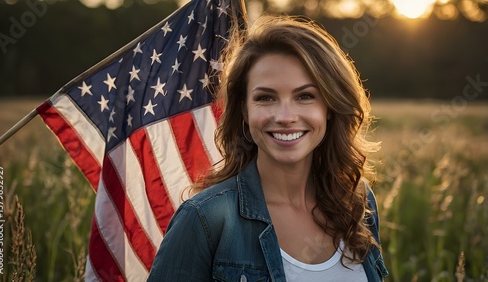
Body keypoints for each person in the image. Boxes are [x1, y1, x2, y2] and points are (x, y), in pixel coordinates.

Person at [148, 15, 389, 282]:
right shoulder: (206, 218)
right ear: (244, 110)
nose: (285, 116)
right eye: (266, 97)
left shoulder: (357, 202)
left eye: (305, 96)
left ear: (330, 107)